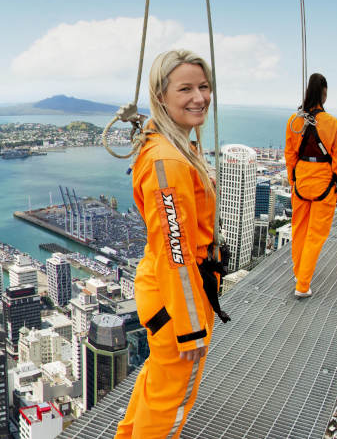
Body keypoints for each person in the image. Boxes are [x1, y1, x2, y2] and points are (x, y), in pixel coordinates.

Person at [116, 50, 226, 439]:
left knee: (155, 388)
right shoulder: (170, 160)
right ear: (162, 96)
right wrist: (191, 326)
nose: (199, 97)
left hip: (167, 290)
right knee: (170, 407)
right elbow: (175, 251)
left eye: (204, 86)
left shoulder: (169, 142)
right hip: (177, 294)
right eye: (186, 89)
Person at [285, 73, 337, 298]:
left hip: (301, 182)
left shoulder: (295, 120)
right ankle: (302, 285)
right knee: (315, 235)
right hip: (324, 184)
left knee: (299, 230)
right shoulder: (332, 123)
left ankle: (298, 272)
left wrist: (292, 181)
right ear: (324, 92)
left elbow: (290, 155)